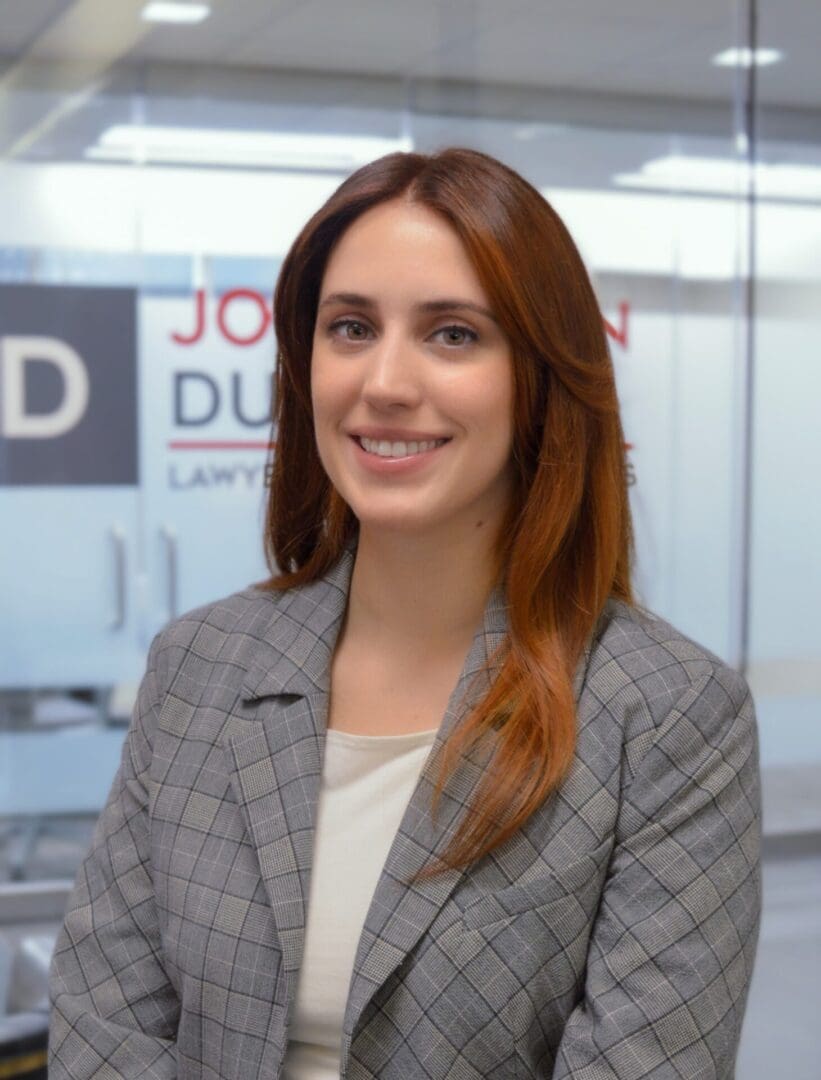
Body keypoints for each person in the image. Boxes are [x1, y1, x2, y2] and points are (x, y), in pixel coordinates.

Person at [48, 147, 761, 1080]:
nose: (383, 381)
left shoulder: (667, 717)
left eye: (452, 334)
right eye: (349, 327)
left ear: (540, 379)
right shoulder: (201, 664)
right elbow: (102, 1029)